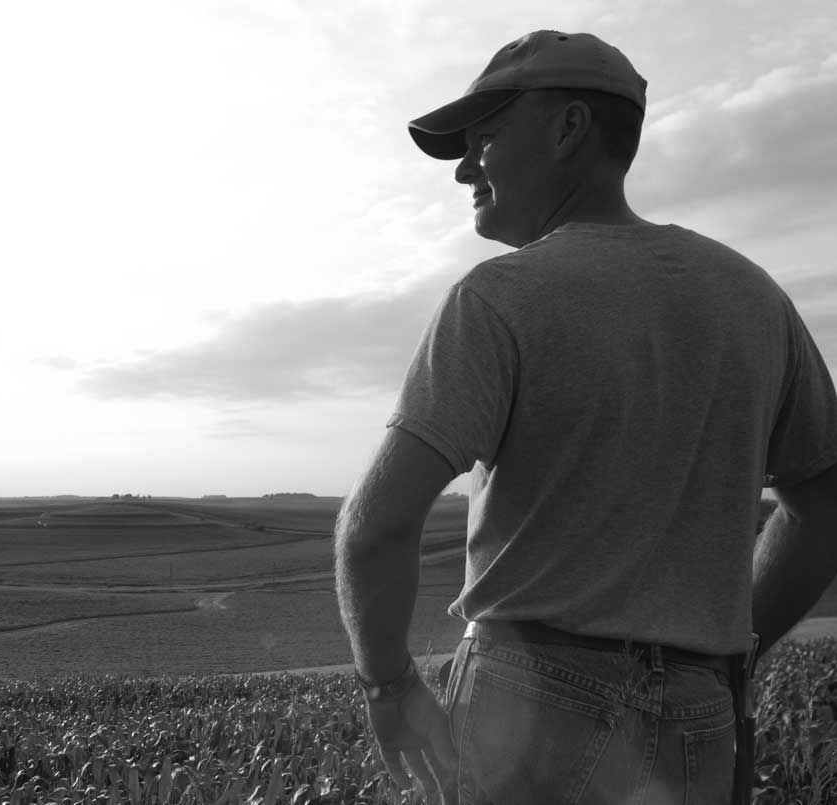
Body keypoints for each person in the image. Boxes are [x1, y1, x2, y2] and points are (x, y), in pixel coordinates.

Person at [333, 30, 837, 805]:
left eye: (486, 137)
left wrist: (387, 687)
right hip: (699, 721)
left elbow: (374, 527)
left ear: (569, 129)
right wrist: (731, 653)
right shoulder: (755, 300)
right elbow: (823, 504)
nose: (466, 168)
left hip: (527, 708)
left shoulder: (498, 297)